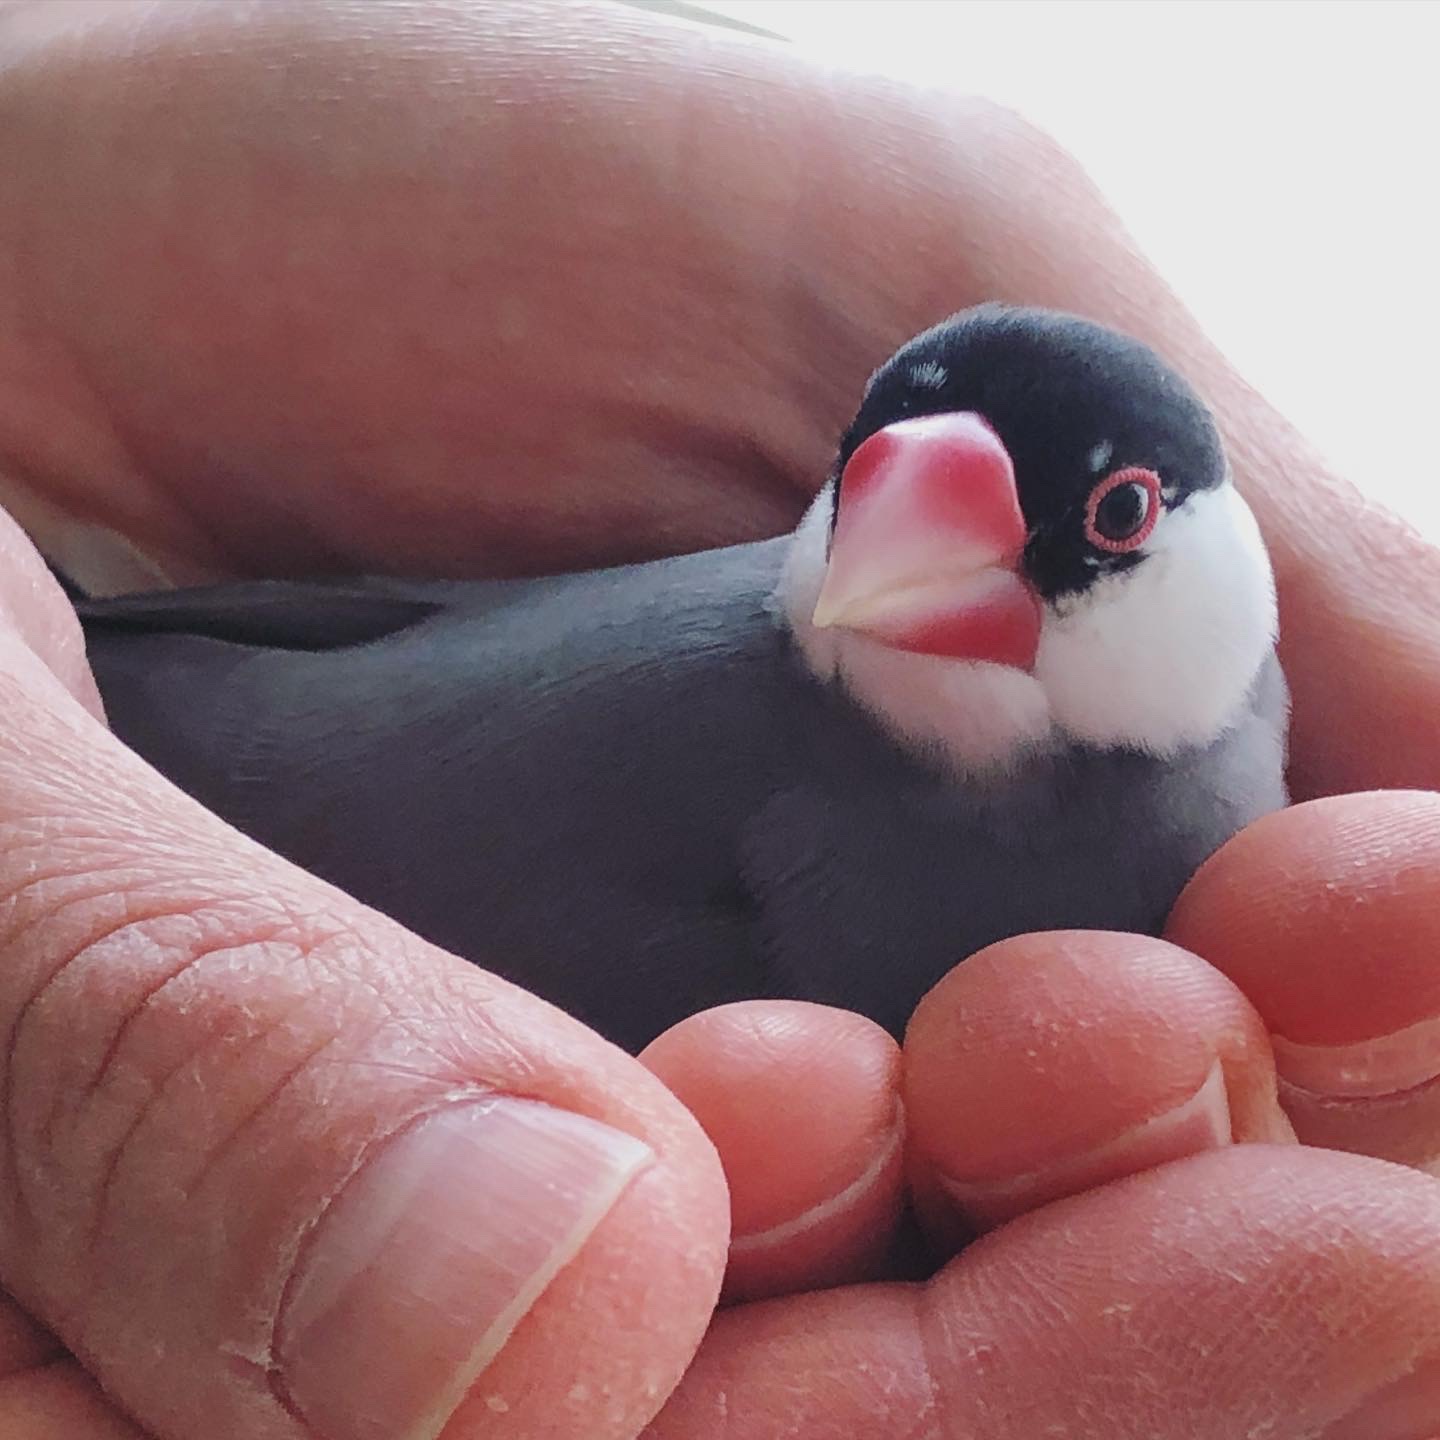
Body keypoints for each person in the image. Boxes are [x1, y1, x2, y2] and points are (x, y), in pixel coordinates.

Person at [1, 3, 1438, 1437]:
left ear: (1202, 533)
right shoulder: (796, 841)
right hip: (153, 754)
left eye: (1112, 520)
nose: (907, 573)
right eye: (874, 488)